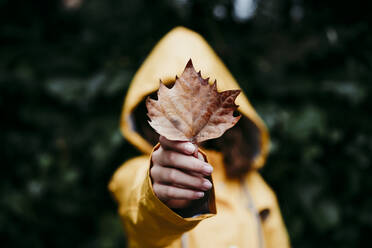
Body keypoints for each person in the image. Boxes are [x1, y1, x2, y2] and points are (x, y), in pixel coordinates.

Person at [109, 27, 290, 248]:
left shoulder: (257, 190)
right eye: (170, 103)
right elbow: (140, 211)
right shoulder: (135, 173)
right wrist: (160, 200)